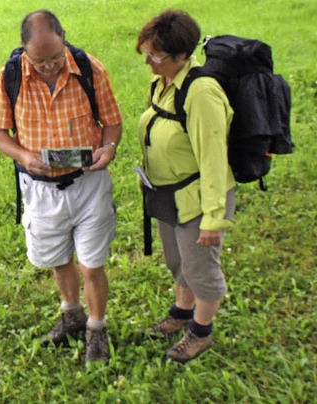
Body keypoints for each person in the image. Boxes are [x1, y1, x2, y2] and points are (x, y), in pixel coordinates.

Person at [0, 9, 122, 363]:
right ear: (24, 51)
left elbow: (111, 122)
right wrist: (24, 156)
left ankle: (97, 328)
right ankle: (72, 315)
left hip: (89, 183)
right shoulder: (9, 76)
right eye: (41, 61)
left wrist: (108, 148)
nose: (50, 67)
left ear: (64, 41)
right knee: (59, 260)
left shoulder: (89, 68)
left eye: (56, 57)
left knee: (91, 265)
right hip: (40, 189)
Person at [136, 9, 236, 363]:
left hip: (197, 200)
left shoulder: (201, 93)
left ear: (182, 55)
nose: (147, 61)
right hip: (168, 195)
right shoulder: (164, 81)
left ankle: (200, 332)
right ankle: (181, 312)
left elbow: (213, 159)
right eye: (145, 52)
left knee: (200, 269)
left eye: (155, 55)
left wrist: (214, 217)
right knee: (178, 261)